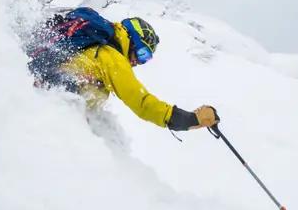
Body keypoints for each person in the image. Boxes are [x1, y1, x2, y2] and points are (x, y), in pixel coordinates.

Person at [28, 8, 219, 132]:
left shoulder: (97, 49)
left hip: (47, 88)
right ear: (134, 40)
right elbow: (141, 102)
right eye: (143, 53)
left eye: (146, 59)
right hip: (50, 92)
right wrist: (191, 119)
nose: (138, 62)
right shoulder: (111, 57)